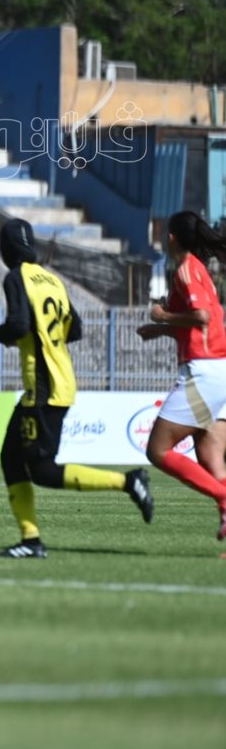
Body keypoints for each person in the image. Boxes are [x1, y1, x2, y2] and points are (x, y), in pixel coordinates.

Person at [0, 219, 154, 558]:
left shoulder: (16, 277)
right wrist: (38, 339)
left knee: (42, 470)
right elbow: (75, 329)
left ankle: (129, 481)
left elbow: (18, 326)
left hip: (44, 388)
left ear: (6, 248)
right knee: (11, 457)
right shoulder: (52, 279)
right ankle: (30, 540)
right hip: (58, 380)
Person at [136, 211, 226, 541]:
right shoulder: (197, 269)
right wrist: (160, 329)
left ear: (171, 237)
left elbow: (200, 317)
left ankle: (224, 497)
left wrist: (162, 314)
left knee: (158, 451)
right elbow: (200, 324)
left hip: (204, 373)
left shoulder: (187, 269)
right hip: (217, 368)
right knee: (210, 458)